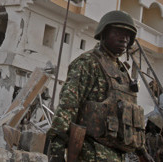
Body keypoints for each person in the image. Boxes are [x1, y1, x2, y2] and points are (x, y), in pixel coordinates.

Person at [47, 10, 145, 161]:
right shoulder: (88, 63)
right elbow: (67, 108)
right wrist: (56, 151)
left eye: (127, 35)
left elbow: (131, 120)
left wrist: (142, 152)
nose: (124, 38)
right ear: (104, 34)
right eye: (118, 32)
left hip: (117, 155)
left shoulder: (123, 73)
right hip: (91, 153)